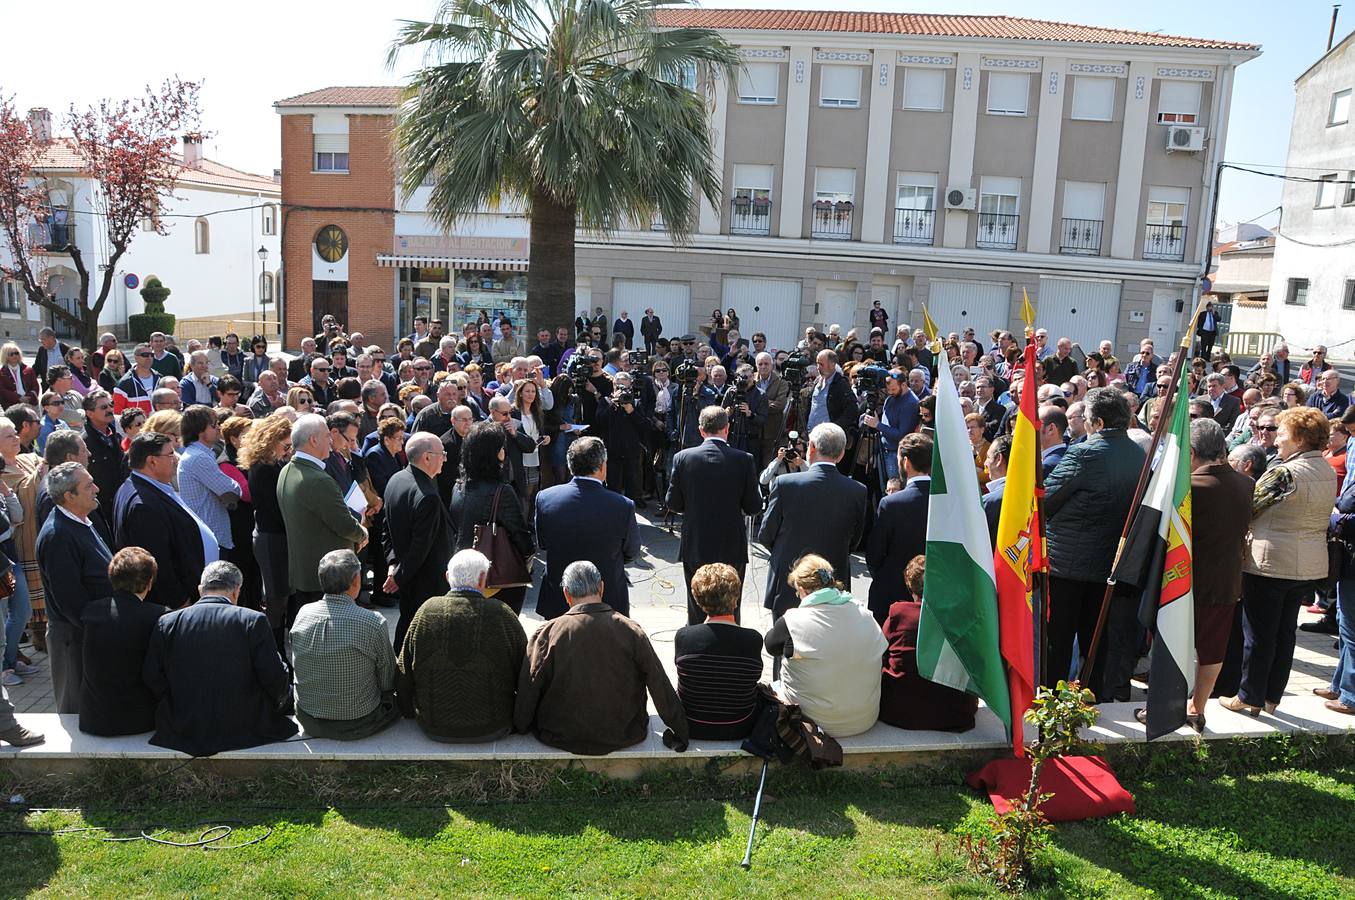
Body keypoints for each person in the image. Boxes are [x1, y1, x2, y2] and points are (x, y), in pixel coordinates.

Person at [1223, 407, 1337, 716]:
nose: (1277, 441)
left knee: (1258, 634)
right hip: (1307, 564)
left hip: (1270, 562)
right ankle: (1272, 697)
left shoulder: (1284, 472)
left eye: (1283, 434)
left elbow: (1249, 507)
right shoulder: (1326, 469)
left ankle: (1248, 695)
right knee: (1286, 633)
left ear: (1300, 439)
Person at [514, 560, 688, 754]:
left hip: (560, 733)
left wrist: (521, 725)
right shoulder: (630, 630)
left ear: (566, 594)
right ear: (601, 588)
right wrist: (680, 730)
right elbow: (658, 683)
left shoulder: (548, 633)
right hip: (624, 733)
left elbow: (530, 684)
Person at [1043, 388, 1145, 699]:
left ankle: (1052, 700)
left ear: (1098, 423)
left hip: (1068, 565)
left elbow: (1045, 500)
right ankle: (1092, 697)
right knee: (1096, 638)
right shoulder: (1139, 453)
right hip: (1110, 564)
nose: (1084, 425)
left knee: (1058, 640)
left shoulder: (1084, 453)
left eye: (1086, 419)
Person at [144, 561, 297, 756]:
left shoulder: (167, 622)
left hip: (184, 724)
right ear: (236, 591)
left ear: (200, 590)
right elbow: (273, 678)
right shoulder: (252, 620)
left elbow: (152, 675)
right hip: (244, 725)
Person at [1164, 419, 1252, 732]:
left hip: (1184, 580)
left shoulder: (1191, 489)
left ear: (1191, 451)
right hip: (1226, 580)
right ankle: (1197, 707)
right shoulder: (1246, 483)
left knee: (1173, 645)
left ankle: (1167, 710)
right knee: (1212, 648)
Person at [397, 549, 527, 741]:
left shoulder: (426, 611)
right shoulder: (502, 614)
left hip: (433, 725)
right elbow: (525, 670)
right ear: (483, 578)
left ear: (448, 577)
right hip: (494, 725)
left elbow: (404, 669)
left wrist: (407, 711)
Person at [764, 554, 887, 738]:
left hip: (812, 721)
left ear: (803, 590)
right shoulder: (864, 613)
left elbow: (771, 646)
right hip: (865, 718)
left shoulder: (793, 621)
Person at [758, 423, 867, 617]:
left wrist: (785, 552)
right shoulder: (856, 491)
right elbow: (854, 540)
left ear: (811, 447)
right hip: (832, 585)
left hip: (789, 581)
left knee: (785, 643)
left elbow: (767, 533)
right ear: (842, 454)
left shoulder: (786, 484)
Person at [665, 406, 761, 625]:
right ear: (726, 429)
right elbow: (753, 505)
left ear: (701, 430)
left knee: (698, 605)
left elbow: (673, 503)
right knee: (730, 604)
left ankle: (697, 650)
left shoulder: (683, 458)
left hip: (696, 543)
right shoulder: (743, 459)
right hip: (731, 544)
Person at [290, 550, 398, 740]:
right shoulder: (373, 622)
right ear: (356, 581)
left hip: (308, 718)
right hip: (359, 721)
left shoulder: (303, 613)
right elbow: (387, 680)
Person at [35, 462, 113, 713]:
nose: (97, 489)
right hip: (74, 638)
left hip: (89, 633)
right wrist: (99, 629)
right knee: (74, 710)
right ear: (69, 496)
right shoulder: (58, 535)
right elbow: (70, 601)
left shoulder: (81, 521)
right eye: (89, 485)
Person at [535, 437, 640, 620]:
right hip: (607, 601)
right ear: (602, 466)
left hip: (560, 599)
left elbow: (543, 543)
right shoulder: (622, 505)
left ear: (570, 466)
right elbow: (631, 551)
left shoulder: (545, 499)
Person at [277, 414, 367, 616]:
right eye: (327, 435)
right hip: (327, 578)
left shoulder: (288, 470)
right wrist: (363, 534)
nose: (331, 440)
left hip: (306, 573)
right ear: (313, 440)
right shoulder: (318, 480)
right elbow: (344, 525)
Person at [113, 431, 212, 611]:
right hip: (177, 605)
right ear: (152, 461)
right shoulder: (143, 506)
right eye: (170, 454)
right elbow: (159, 564)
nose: (176, 459)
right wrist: (181, 602)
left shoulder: (145, 485)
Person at [879, 555, 978, 731]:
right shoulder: (960, 617)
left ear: (910, 587)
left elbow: (879, 651)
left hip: (901, 713)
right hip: (956, 714)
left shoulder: (899, 613)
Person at [77, 547, 168, 735]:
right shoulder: (159, 616)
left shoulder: (91, 612)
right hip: (138, 719)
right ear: (149, 582)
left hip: (93, 718)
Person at [447, 423, 533, 615]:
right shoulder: (502, 491)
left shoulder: (458, 488)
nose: (504, 452)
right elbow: (520, 535)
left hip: (462, 570)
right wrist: (528, 558)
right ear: (493, 454)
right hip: (497, 576)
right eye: (501, 448)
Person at [673, 563, 763, 740]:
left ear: (698, 601)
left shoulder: (684, 637)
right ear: (735, 599)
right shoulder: (753, 639)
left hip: (692, 724)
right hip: (740, 726)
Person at [384, 432, 456, 648]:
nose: (445, 458)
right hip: (427, 583)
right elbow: (420, 547)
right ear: (426, 457)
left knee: (407, 626)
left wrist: (394, 565)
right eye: (442, 454)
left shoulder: (397, 479)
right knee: (423, 638)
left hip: (408, 577)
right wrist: (398, 575)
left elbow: (386, 529)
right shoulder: (427, 496)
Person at [240, 415, 293, 654]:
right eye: (286, 445)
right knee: (276, 597)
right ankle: (274, 649)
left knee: (283, 594)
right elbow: (274, 508)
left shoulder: (273, 465)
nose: (288, 450)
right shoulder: (263, 468)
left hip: (276, 536)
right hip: (271, 537)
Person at [865, 434, 932, 625]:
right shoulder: (947, 502)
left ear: (906, 462)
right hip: (934, 596)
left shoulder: (891, 503)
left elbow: (875, 553)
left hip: (891, 596)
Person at [177, 405, 242, 563]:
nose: (218, 428)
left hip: (212, 536)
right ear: (200, 430)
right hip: (211, 538)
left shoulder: (201, 454)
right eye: (213, 425)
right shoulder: (199, 457)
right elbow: (233, 490)